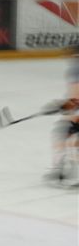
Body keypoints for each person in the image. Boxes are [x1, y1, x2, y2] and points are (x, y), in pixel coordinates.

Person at [46, 46, 79, 184]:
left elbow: (75, 98)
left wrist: (65, 105)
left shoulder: (75, 70)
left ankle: (61, 169)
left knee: (65, 134)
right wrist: (63, 104)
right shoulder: (74, 69)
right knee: (64, 133)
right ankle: (60, 169)